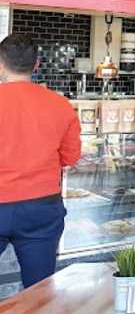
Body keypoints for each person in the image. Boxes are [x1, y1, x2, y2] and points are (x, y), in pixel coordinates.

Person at [0, 34, 81, 288]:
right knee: (39, 292)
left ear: (0, 64)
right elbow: (70, 157)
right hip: (42, 209)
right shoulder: (61, 105)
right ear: (36, 66)